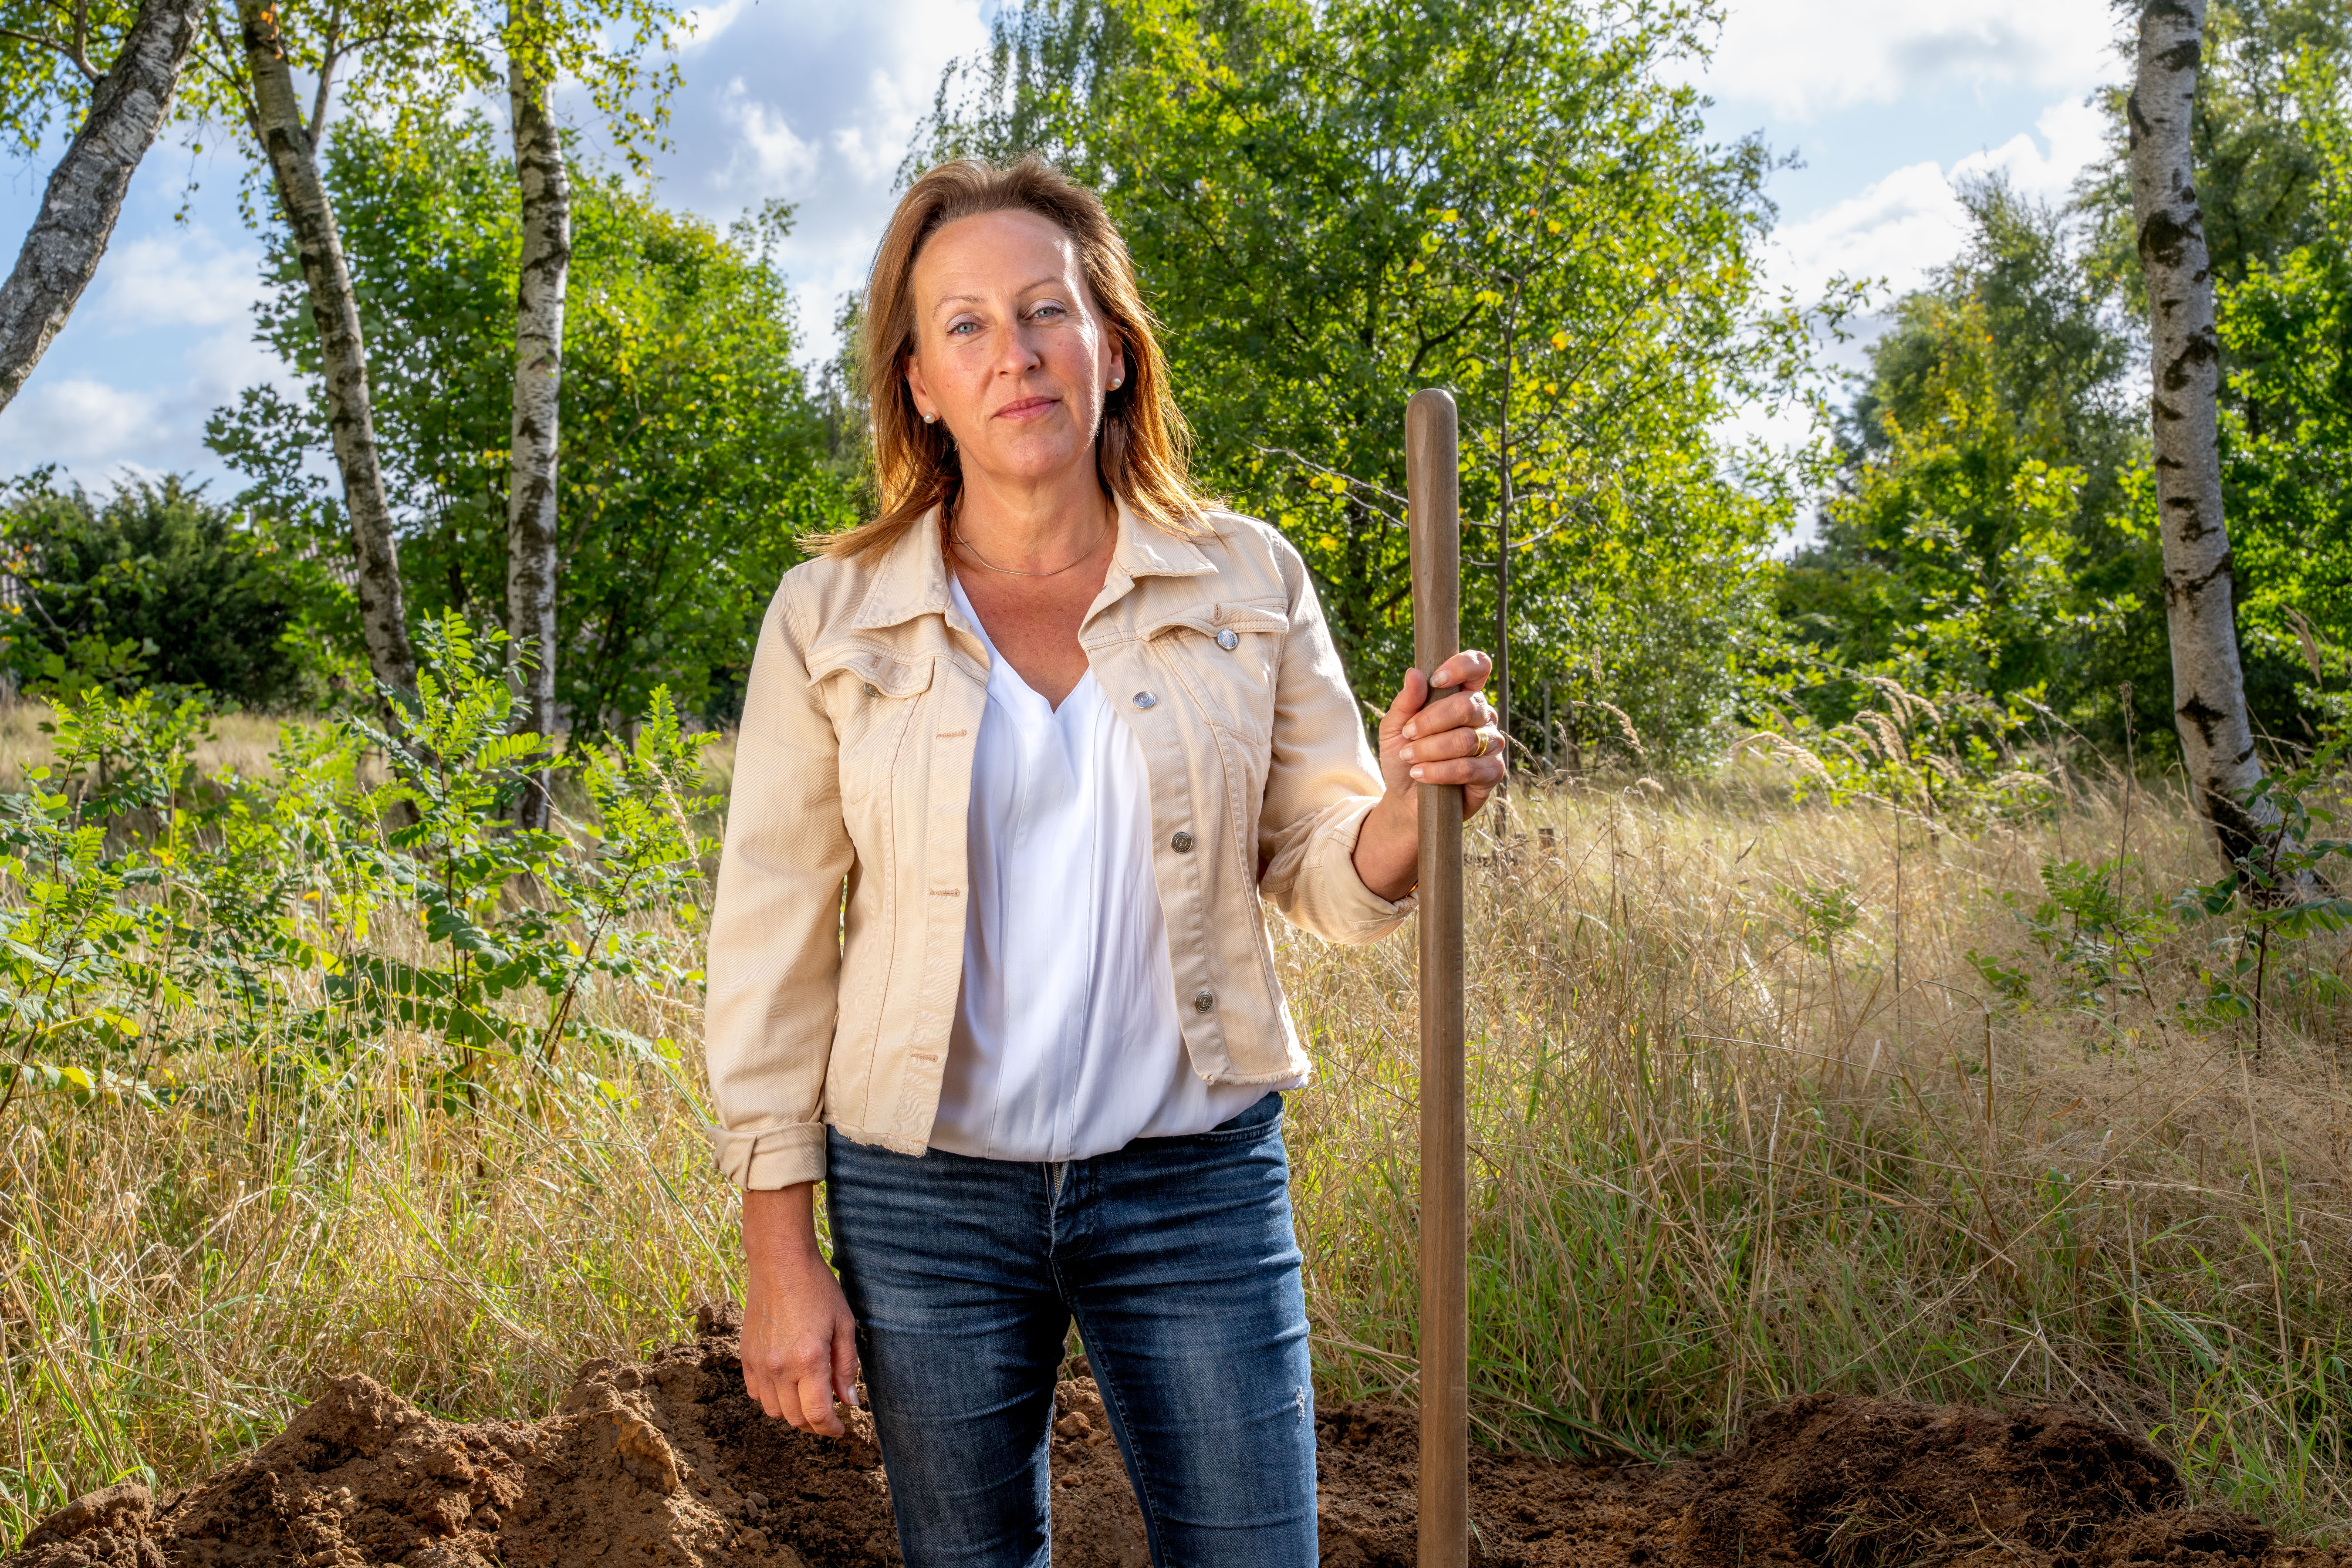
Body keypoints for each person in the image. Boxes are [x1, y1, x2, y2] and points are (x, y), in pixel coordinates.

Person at [703, 155, 1505, 1568]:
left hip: (1191, 1177)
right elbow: (770, 940)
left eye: (1045, 313)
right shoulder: (830, 616)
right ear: (919, 383)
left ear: (1113, 352)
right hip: (924, 1195)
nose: (1013, 355)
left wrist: (1409, 808)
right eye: (964, 326)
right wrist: (781, 1251)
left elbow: (1327, 865)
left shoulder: (1244, 581)